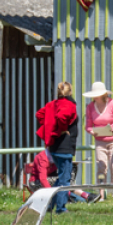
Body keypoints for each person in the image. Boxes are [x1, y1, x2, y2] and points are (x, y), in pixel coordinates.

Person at [36, 82, 80, 214]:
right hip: (64, 147)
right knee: (65, 179)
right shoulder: (69, 105)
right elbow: (62, 116)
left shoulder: (52, 104)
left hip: (54, 147)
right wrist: (61, 129)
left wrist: (51, 127)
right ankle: (61, 208)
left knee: (61, 177)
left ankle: (49, 204)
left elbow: (39, 114)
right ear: (70, 92)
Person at [83, 81, 113, 201]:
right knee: (102, 166)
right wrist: (92, 131)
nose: (95, 96)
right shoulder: (90, 107)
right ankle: (101, 194)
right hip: (100, 141)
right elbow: (87, 126)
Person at [30, 150, 97, 203]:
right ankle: (86, 196)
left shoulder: (55, 156)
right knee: (64, 180)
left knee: (69, 173)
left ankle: (82, 196)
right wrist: (51, 194)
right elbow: (42, 179)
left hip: (51, 180)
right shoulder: (42, 157)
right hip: (36, 182)